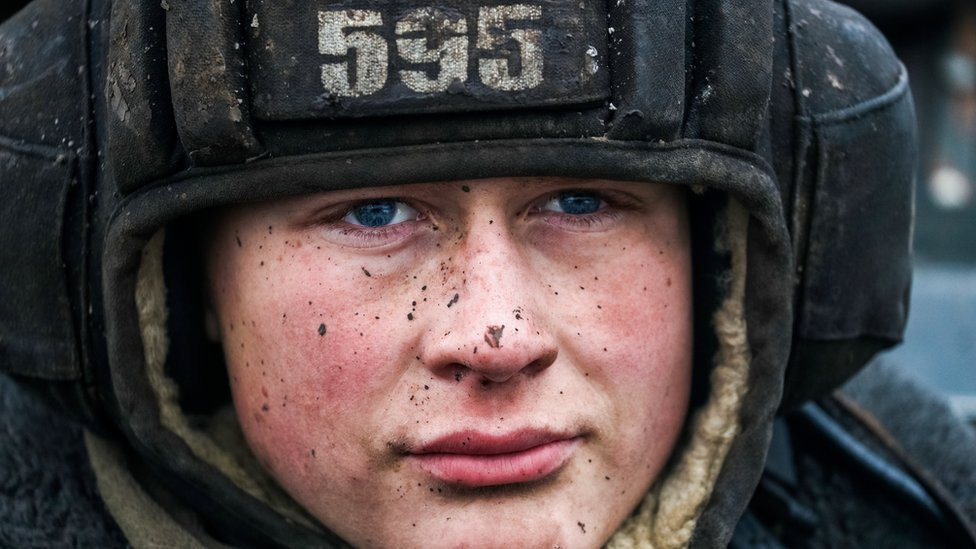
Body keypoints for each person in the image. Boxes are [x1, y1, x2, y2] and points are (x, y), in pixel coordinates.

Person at [0, 0, 973, 547]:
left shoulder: (922, 507)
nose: (495, 339)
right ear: (186, 292)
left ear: (721, 264)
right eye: (373, 214)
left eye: (580, 203)